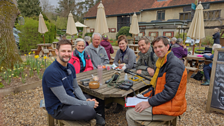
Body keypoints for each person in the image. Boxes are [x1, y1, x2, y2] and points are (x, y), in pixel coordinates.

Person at [126, 36, 187, 126]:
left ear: (168, 46)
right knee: (135, 106)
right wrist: (141, 96)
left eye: (160, 46)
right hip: (166, 102)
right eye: (155, 47)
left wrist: (148, 102)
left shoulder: (174, 65)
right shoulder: (162, 61)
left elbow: (169, 93)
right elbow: (156, 87)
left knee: (130, 113)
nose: (157, 50)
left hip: (172, 106)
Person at [42, 39, 105, 125]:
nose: (66, 54)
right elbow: (63, 98)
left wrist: (85, 100)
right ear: (56, 51)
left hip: (71, 98)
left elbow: (75, 87)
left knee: (98, 98)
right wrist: (86, 103)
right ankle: (95, 116)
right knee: (89, 111)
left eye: (69, 51)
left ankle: (97, 117)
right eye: (63, 51)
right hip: (58, 107)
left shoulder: (70, 67)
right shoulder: (52, 72)